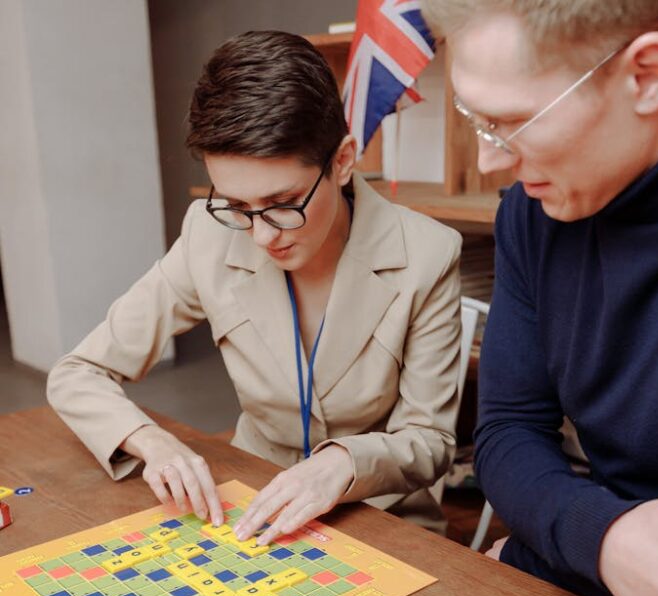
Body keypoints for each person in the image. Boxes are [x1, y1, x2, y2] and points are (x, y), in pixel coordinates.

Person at [47, 30, 461, 543]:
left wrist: (342, 465)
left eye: (284, 202)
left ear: (343, 160)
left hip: (381, 515)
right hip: (247, 502)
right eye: (237, 206)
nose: (262, 235)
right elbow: (78, 373)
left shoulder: (428, 253)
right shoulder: (209, 232)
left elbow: (431, 441)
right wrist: (151, 441)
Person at [422, 0, 658, 596]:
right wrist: (606, 539)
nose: (488, 164)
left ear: (648, 75)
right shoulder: (532, 218)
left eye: (512, 122)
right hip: (601, 561)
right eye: (476, 120)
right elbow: (508, 431)